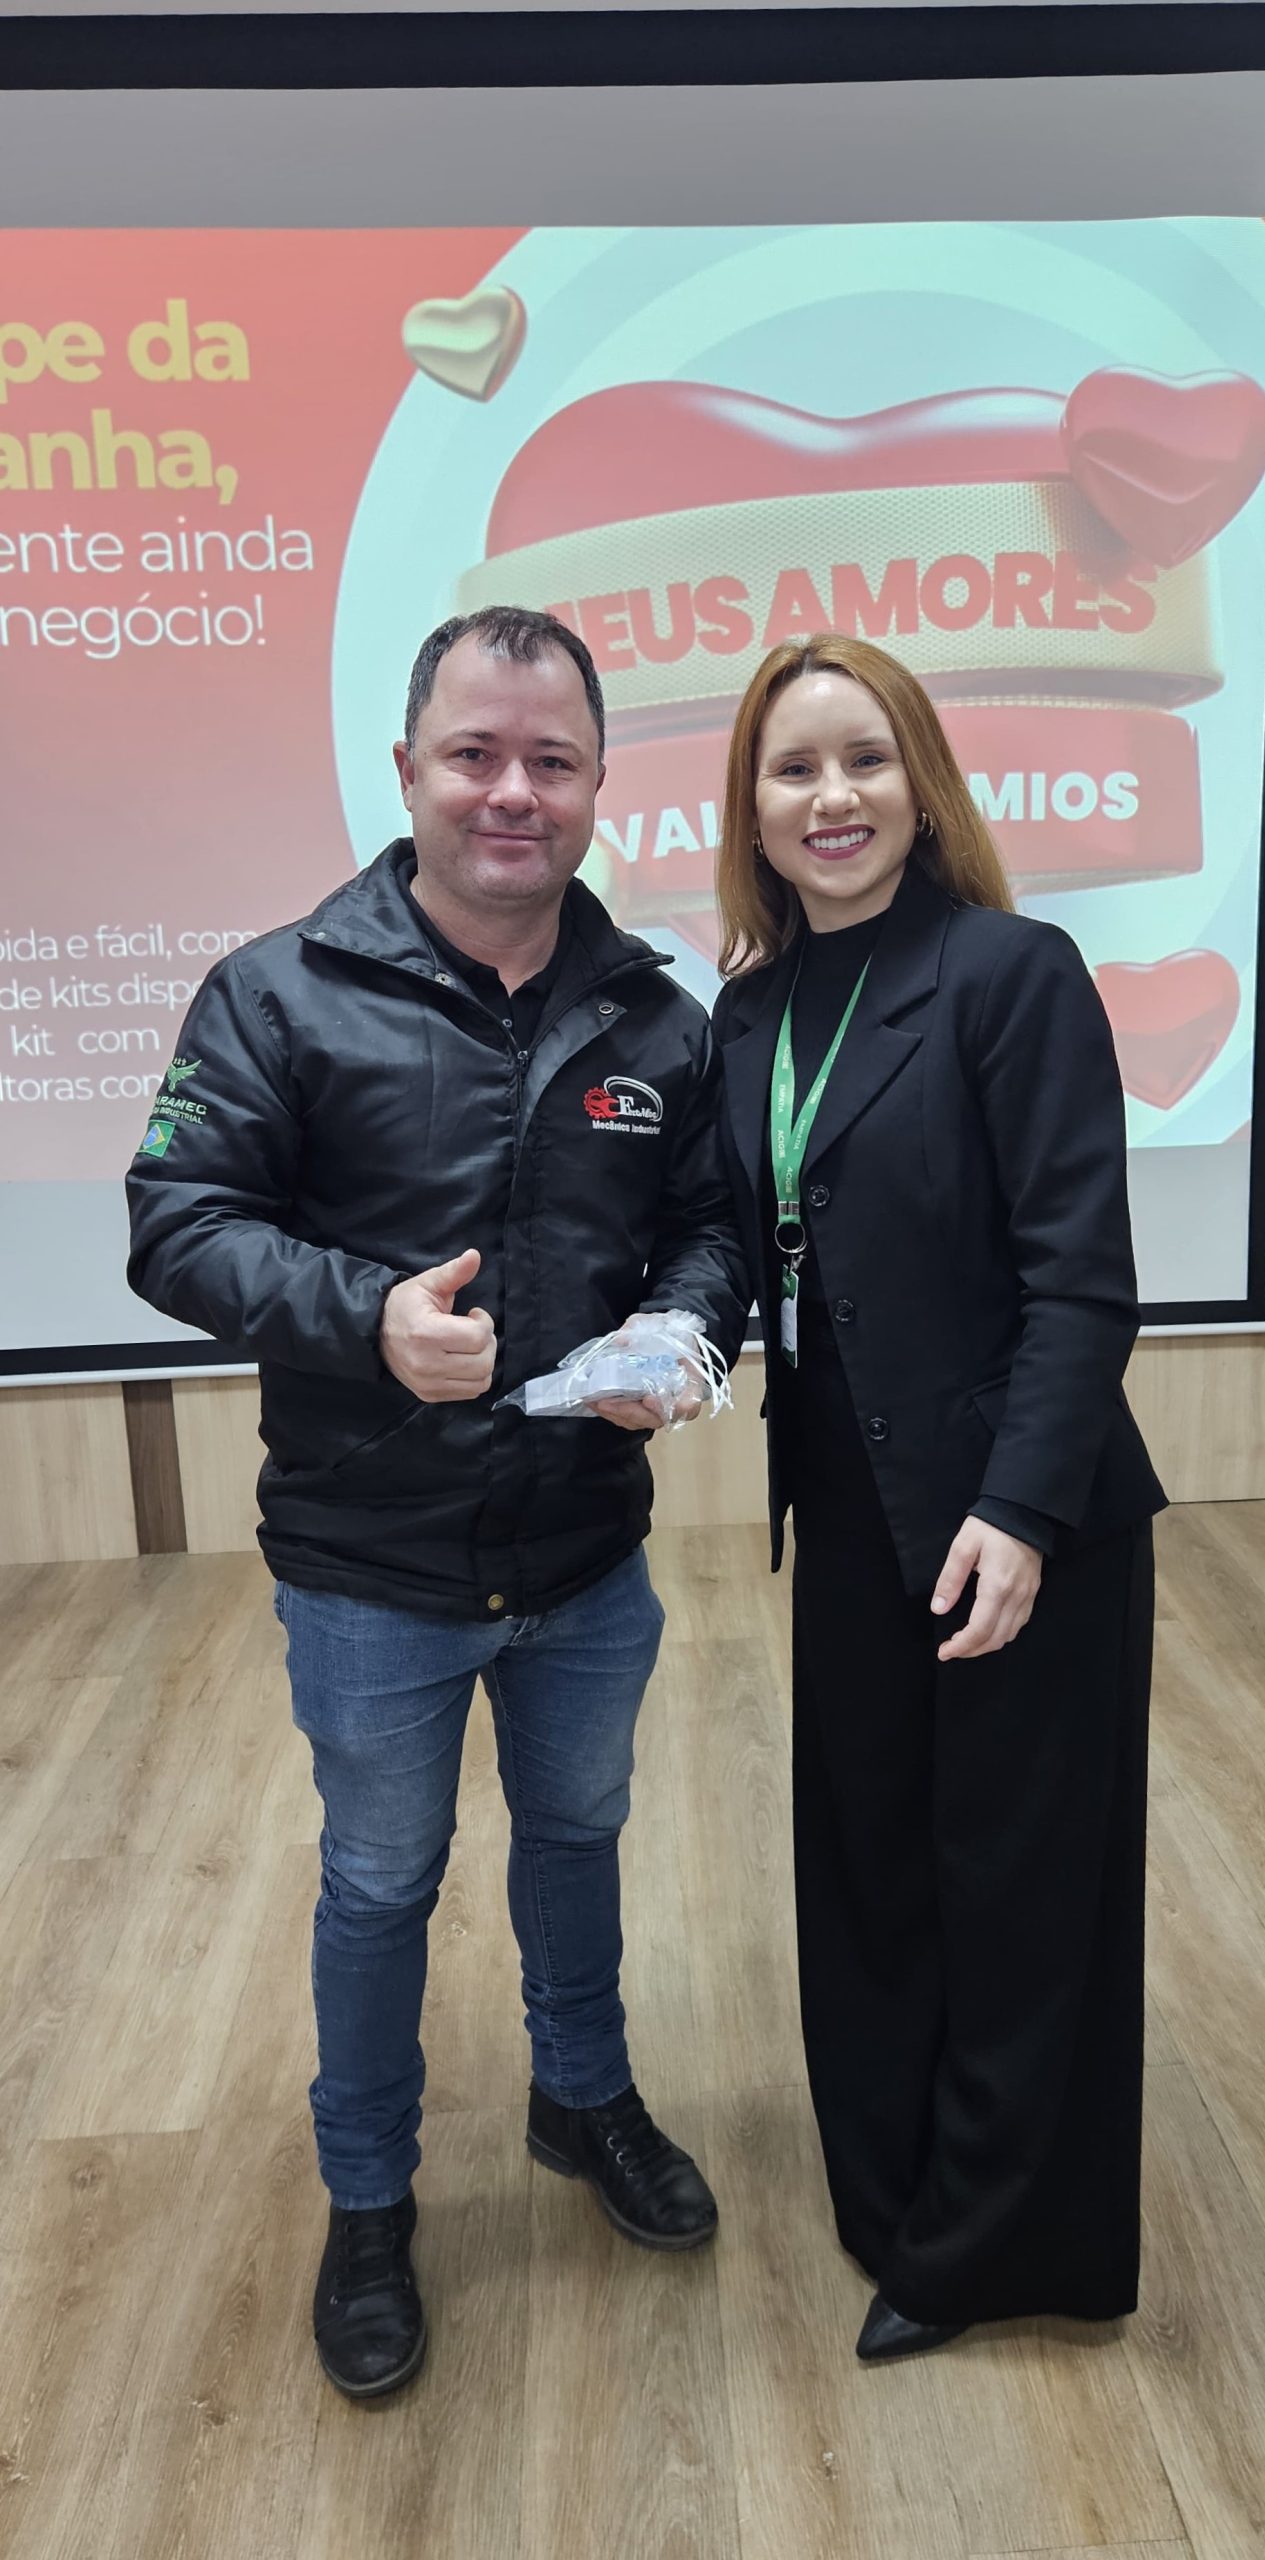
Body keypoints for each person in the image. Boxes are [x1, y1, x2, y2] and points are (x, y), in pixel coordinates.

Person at [127, 606, 748, 2400]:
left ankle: (582, 2098)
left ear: (599, 782)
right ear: (406, 768)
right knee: (381, 1882)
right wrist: (364, 1320)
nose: (511, 792)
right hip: (369, 1562)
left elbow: (712, 1228)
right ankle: (369, 2198)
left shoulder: (656, 1014)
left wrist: (684, 1331)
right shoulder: (276, 991)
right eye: (475, 754)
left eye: (552, 760)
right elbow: (178, 1223)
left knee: (577, 1837)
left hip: (583, 1551)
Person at [710, 633, 1166, 2364]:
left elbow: (1081, 1281)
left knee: (1020, 1889)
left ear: (922, 785)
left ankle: (993, 2248)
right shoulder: (747, 1012)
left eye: (864, 758)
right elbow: (744, 1248)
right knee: (871, 1864)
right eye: (793, 767)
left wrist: (1023, 1513)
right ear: (750, 807)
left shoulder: (1008, 972)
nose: (830, 797)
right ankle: (890, 2187)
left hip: (1016, 1513)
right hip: (849, 1504)